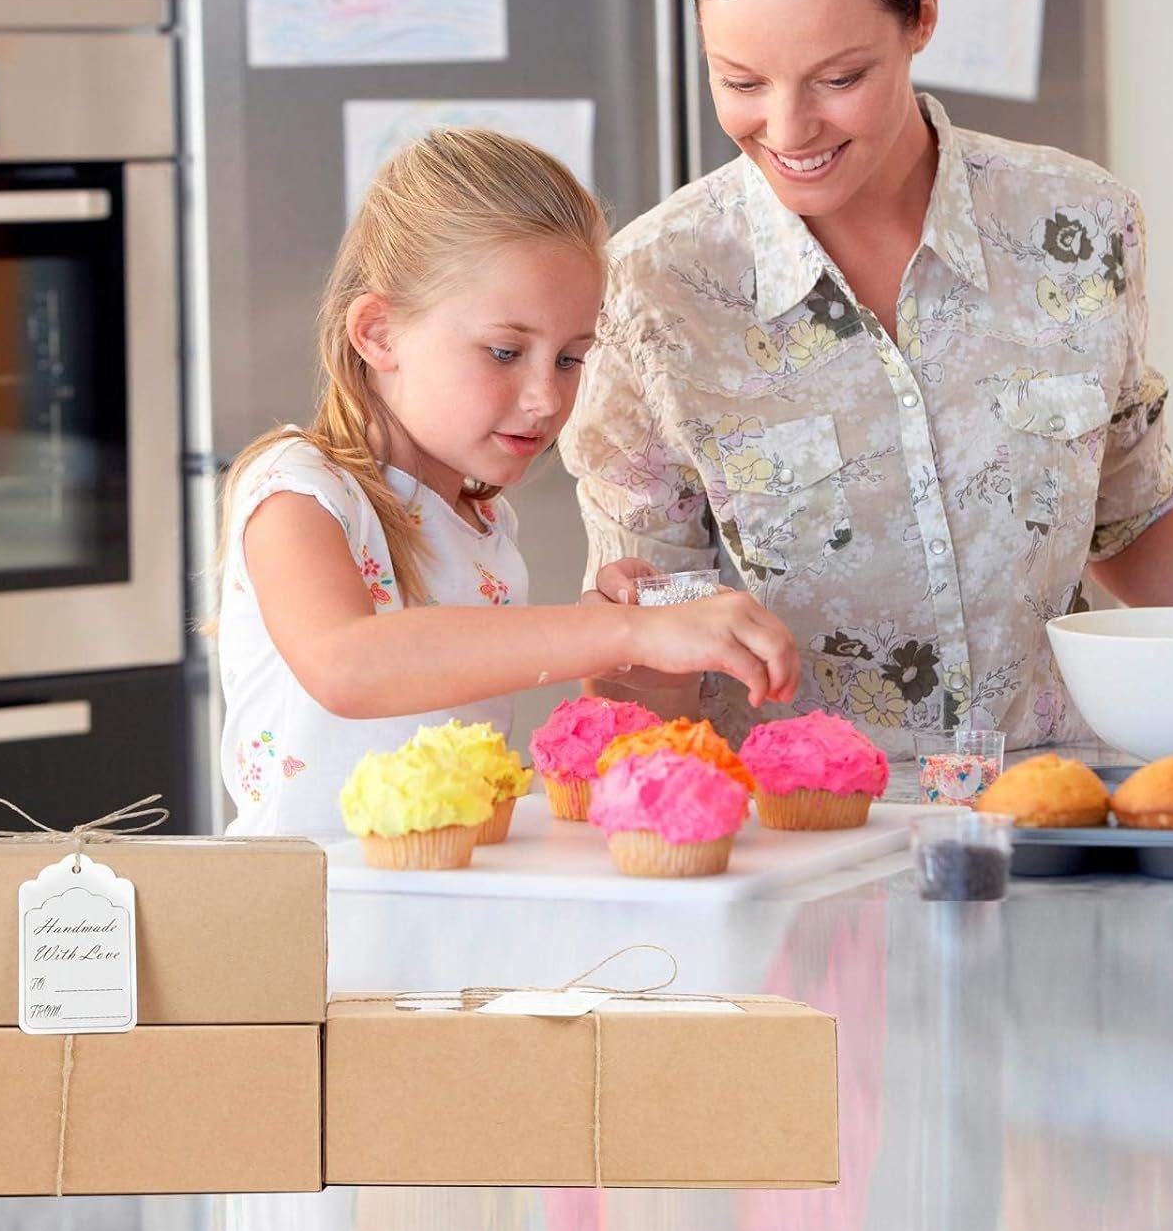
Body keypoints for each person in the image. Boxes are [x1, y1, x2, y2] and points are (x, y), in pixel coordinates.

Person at [563, 0, 1173, 755]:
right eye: (739, 81)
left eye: (838, 77)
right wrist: (621, 634)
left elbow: (1130, 525)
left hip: (1057, 816)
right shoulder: (649, 291)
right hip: (801, 840)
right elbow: (636, 662)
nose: (788, 129)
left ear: (925, 15)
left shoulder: (1080, 228)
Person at [212, 128, 798, 837]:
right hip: (305, 923)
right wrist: (617, 630)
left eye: (570, 359)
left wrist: (637, 657)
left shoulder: (484, 523)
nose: (545, 400)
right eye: (505, 352)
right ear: (378, 333)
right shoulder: (297, 491)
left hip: (439, 909)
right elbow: (347, 666)